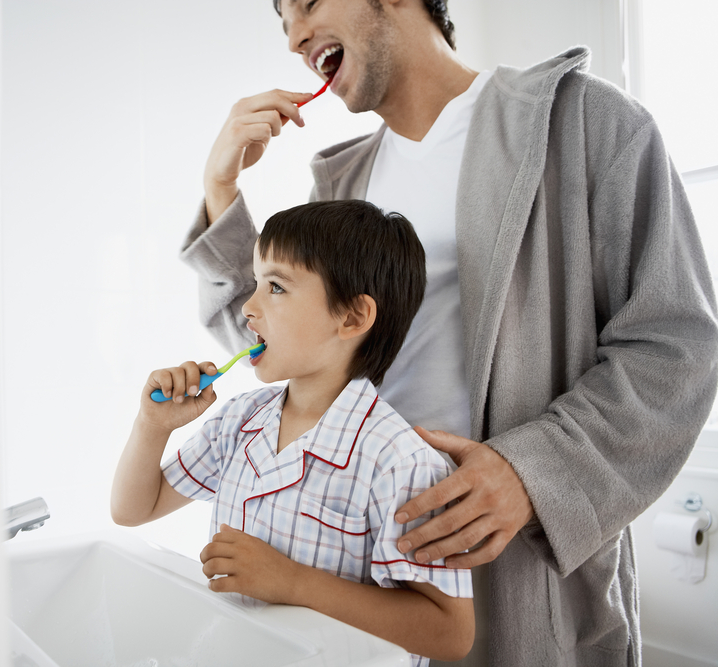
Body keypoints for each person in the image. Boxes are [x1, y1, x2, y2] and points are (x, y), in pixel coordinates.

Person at [177, 0, 718, 665]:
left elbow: (674, 346)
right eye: (281, 20)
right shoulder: (338, 187)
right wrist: (220, 186)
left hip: (519, 582)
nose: (293, 37)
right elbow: (279, 349)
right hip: (360, 591)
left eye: (308, 3)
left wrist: (532, 472)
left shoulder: (589, 124)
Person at [111, 200, 474, 665]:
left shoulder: (399, 461)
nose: (248, 307)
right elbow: (131, 509)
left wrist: (292, 582)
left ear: (352, 318)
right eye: (257, 283)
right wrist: (151, 427)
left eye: (276, 287)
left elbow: (451, 632)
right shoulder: (241, 421)